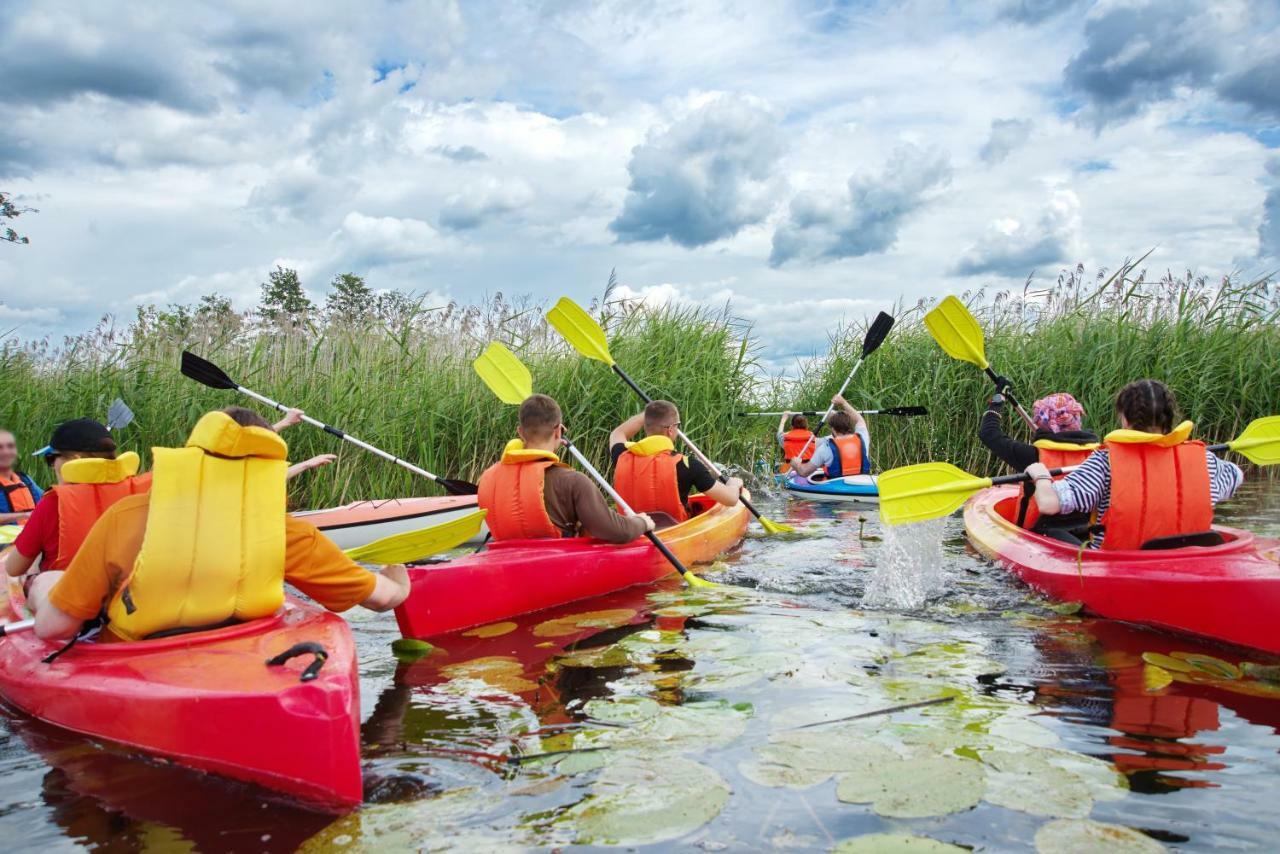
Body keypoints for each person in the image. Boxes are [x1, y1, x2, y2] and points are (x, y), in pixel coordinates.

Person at [33, 407, 410, 642]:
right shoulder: (285, 533)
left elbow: (54, 630)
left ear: (193, 456)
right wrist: (399, 579)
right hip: (238, 648)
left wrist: (37, 590)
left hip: (140, 650)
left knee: (48, 580)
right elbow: (383, 599)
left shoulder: (127, 517)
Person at [1026, 379, 1243, 550]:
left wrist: (1041, 475)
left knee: (1045, 534)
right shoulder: (1205, 460)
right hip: (1189, 563)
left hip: (1118, 567)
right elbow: (1236, 476)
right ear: (1169, 418)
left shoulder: (1105, 462)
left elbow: (1048, 504)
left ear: (1125, 419)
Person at [5, 419, 152, 613]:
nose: (51, 466)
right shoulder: (143, 492)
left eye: (51, 458)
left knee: (35, 581)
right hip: (129, 604)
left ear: (73, 460)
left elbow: (13, 568)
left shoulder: (54, 503)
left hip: (75, 612)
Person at [479, 394, 655, 542]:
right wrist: (641, 523)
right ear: (558, 431)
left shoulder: (488, 478)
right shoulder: (572, 481)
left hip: (503, 568)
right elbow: (616, 531)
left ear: (520, 432)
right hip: (557, 569)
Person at [979, 390, 1099, 534]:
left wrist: (997, 401)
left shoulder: (1032, 456)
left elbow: (989, 433)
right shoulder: (1098, 456)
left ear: (1041, 423)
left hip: (1036, 538)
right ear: (1077, 419)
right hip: (1087, 535)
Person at [609, 400, 742, 522]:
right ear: (671, 430)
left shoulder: (622, 455)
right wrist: (734, 484)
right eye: (677, 426)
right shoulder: (688, 464)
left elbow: (617, 433)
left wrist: (648, 414)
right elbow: (731, 499)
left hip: (631, 531)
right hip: (673, 533)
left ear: (646, 425)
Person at [788, 395, 871, 479]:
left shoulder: (826, 447)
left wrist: (796, 464)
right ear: (849, 425)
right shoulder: (862, 438)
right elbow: (859, 420)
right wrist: (843, 403)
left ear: (833, 429)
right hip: (862, 483)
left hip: (837, 488)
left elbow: (804, 472)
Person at [0, 429, 42, 525]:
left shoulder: (25, 479)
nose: (6, 452)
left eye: (10, 446)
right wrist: (25, 515)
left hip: (30, 538)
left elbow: (47, 501)